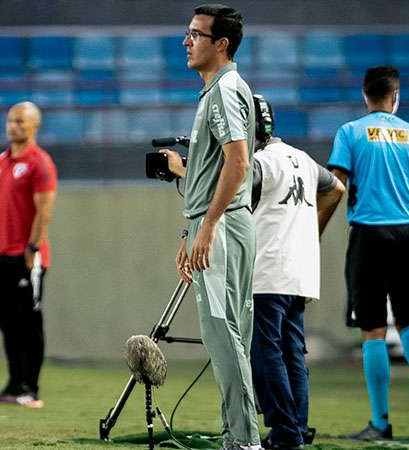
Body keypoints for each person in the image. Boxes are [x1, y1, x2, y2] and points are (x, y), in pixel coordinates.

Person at [327, 66, 409, 440]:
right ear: (396, 96)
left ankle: (380, 422)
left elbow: (336, 186)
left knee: (373, 328)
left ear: (365, 95)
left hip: (369, 236)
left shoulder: (350, 132)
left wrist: (311, 230)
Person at [167, 4, 260, 449]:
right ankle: (235, 436)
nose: (187, 41)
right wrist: (192, 229)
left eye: (196, 34)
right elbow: (209, 171)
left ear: (220, 44)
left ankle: (244, 440)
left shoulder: (223, 90)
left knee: (223, 335)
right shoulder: (219, 89)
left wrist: (208, 225)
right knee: (229, 334)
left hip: (223, 227)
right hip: (220, 224)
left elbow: (238, 162)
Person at [248, 96, 345, 450]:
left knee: (267, 351)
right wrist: (312, 229)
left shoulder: (259, 163)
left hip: (269, 270)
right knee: (291, 352)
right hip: (300, 269)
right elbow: (337, 188)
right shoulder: (301, 158)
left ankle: (285, 431)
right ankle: (296, 429)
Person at [0, 101, 57, 409]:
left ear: (34, 126)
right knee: (7, 324)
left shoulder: (40, 163)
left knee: (29, 324)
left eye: (20, 121)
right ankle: (13, 385)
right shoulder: (1, 161)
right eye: (10, 120)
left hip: (25, 258)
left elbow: (44, 211)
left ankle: (31, 388)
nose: (12, 126)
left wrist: (32, 249)